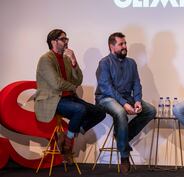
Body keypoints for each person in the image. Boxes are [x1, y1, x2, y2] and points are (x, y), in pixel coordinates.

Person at [34, 29, 106, 162]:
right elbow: (56, 84)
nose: (66, 41)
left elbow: (78, 80)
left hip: (68, 98)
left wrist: (73, 60)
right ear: (53, 42)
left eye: (67, 39)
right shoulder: (46, 59)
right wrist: (73, 87)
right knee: (80, 110)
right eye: (63, 39)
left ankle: (68, 135)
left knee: (100, 112)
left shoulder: (66, 59)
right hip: (52, 100)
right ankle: (67, 146)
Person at [95, 32, 156, 174]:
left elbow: (136, 84)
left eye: (125, 43)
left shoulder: (131, 63)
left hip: (126, 97)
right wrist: (124, 103)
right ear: (111, 46)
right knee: (121, 112)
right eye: (121, 44)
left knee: (150, 110)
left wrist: (138, 101)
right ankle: (124, 156)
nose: (124, 46)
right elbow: (106, 87)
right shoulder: (105, 63)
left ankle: (123, 136)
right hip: (105, 98)